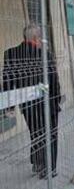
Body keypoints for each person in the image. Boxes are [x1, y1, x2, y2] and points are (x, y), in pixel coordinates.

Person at [3, 23, 61, 178]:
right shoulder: (45, 55)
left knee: (35, 132)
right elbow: (54, 80)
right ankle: (49, 168)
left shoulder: (10, 54)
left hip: (26, 104)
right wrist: (57, 100)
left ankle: (37, 161)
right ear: (36, 38)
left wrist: (8, 107)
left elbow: (7, 81)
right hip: (47, 102)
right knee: (51, 133)